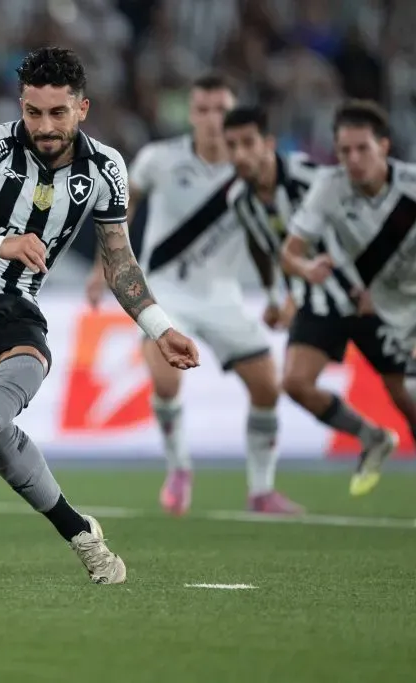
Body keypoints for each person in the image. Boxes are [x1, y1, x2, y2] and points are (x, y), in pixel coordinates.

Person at [0, 47, 199, 586]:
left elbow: (119, 263)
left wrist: (159, 328)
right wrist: (0, 243)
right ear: (21, 105)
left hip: (17, 301)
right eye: (33, 112)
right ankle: (81, 532)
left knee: (23, 371)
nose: (43, 126)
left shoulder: (106, 168)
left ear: (82, 108)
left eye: (57, 113)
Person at [87, 75, 299, 516]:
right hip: (165, 291)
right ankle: (179, 467)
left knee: (267, 387)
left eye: (221, 110)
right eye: (203, 110)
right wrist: (100, 269)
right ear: (190, 114)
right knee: (166, 379)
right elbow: (119, 210)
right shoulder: (159, 158)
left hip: (223, 295)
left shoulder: (250, 170)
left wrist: (274, 294)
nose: (212, 119)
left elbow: (264, 240)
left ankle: (261, 490)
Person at [281, 99, 416, 496]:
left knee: (407, 397)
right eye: (344, 151)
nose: (353, 160)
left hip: (396, 307)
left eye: (362, 149)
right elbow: (290, 252)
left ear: (384, 146)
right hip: (335, 297)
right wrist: (307, 268)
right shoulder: (330, 186)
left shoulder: (412, 186)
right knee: (295, 382)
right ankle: (371, 436)